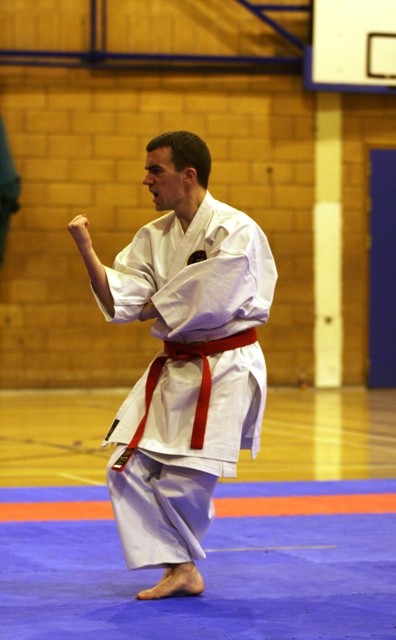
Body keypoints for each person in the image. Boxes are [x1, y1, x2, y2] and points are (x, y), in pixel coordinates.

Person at [68, 130, 277, 600]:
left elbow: (203, 300)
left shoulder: (234, 231)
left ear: (188, 175)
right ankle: (182, 568)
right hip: (177, 366)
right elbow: (123, 302)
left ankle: (182, 567)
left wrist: (150, 304)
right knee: (124, 468)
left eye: (155, 170)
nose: (146, 180)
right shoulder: (153, 236)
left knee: (185, 482)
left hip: (224, 368)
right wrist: (86, 250)